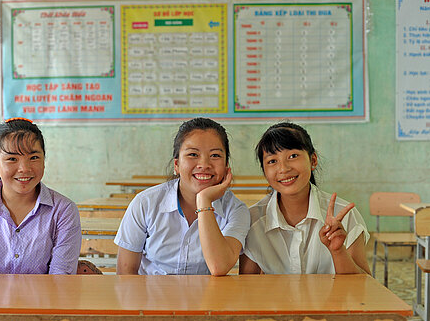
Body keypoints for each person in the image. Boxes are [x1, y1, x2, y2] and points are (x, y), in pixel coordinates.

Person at [0, 118, 82, 280]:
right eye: (12, 159)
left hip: (43, 304)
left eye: (34, 158)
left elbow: (61, 280)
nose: (24, 168)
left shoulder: (63, 210)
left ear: (44, 161)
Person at [114, 117, 250, 276]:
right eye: (193, 154)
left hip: (207, 300)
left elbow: (219, 266)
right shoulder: (145, 203)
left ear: (227, 165)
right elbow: (125, 272)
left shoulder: (236, 210)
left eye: (215, 155)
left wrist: (204, 200)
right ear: (176, 165)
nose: (204, 164)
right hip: (152, 299)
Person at [240, 121, 370, 275]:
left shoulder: (344, 216)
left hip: (333, 300)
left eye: (293, 156)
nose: (283, 169)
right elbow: (247, 287)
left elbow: (364, 287)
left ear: (313, 160)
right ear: (264, 171)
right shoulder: (253, 220)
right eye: (272, 161)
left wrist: (338, 251)